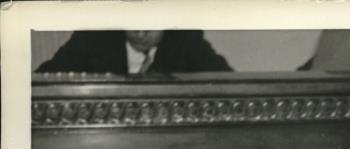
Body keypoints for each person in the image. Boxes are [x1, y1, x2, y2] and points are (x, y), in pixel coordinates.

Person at [36, 30, 232, 74]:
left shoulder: (186, 39)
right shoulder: (92, 38)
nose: (141, 32)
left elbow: (227, 82)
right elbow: (44, 80)